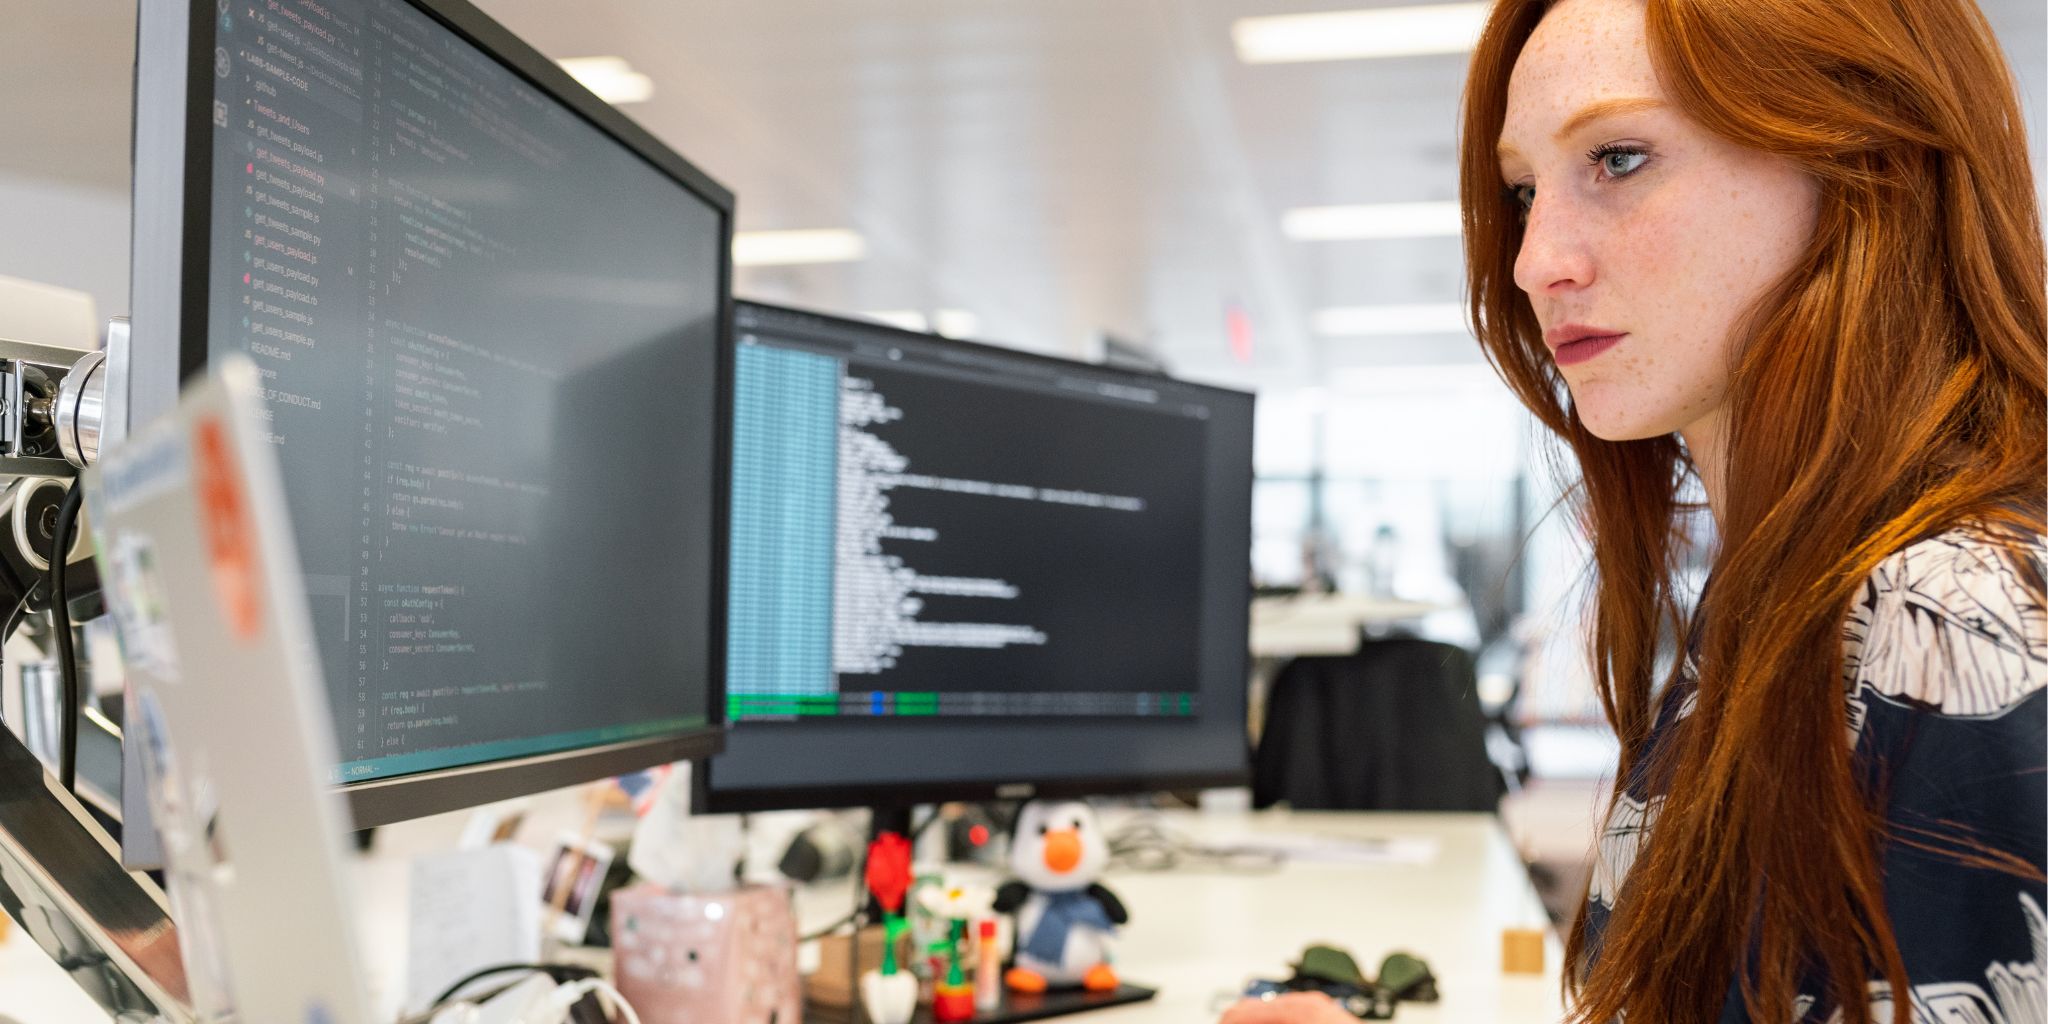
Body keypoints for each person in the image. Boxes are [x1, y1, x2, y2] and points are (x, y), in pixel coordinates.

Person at [1222, 0, 2045, 1021]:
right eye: (1522, 189)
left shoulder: (1948, 615)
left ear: (1864, 160)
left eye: (1615, 158)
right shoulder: (1786, 592)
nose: (1530, 261)